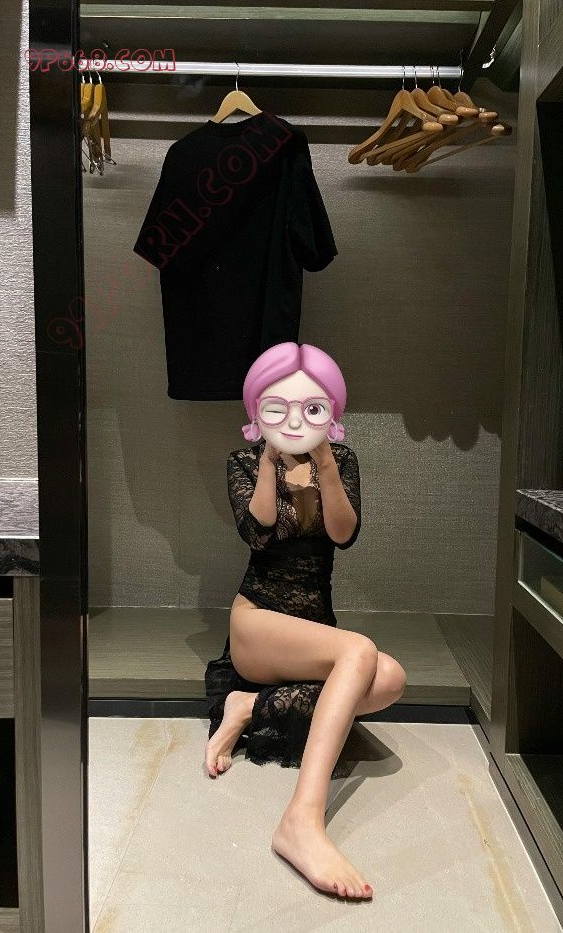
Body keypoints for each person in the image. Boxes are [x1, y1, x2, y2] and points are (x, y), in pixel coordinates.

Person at [204, 342, 407, 900]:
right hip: (258, 621)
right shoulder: (243, 461)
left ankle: (249, 707)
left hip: (314, 629)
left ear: (330, 410)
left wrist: (324, 465)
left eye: (311, 408)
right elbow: (258, 531)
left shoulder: (342, 461)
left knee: (390, 678)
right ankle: (302, 819)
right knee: (359, 651)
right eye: (279, 408)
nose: (295, 419)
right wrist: (271, 462)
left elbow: (344, 533)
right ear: (257, 409)